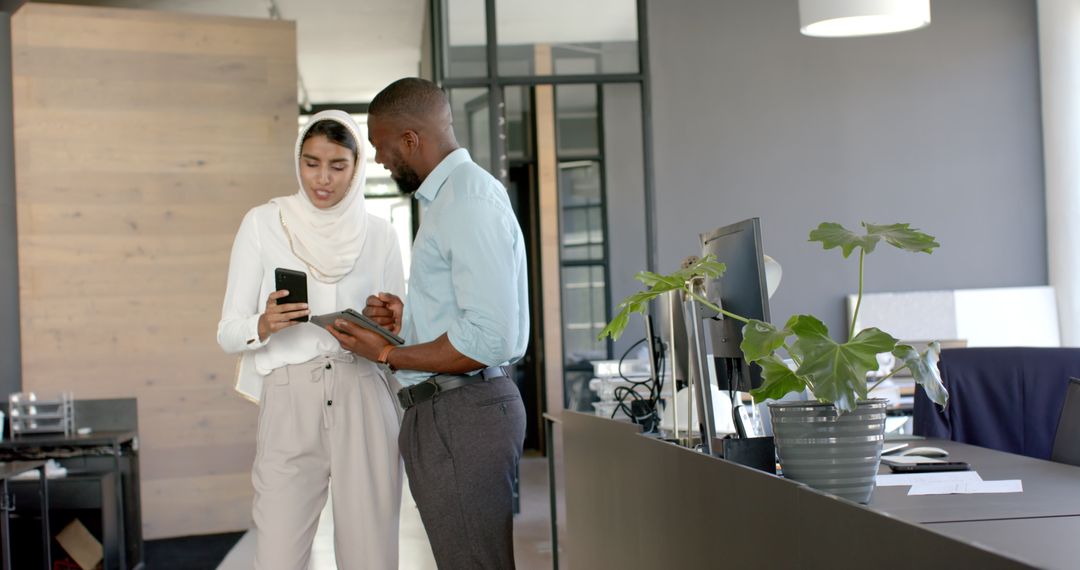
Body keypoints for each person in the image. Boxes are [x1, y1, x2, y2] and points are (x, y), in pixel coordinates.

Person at [326, 78, 529, 569]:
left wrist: (385, 352)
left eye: (381, 146)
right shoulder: (451, 201)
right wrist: (407, 318)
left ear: (411, 140)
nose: (379, 159)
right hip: (451, 412)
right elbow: (469, 313)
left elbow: (488, 337)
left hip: (462, 413)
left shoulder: (466, 201)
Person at [216, 110, 404, 570]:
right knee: (278, 552)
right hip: (289, 396)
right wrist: (263, 324)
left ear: (357, 167)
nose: (323, 179)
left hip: (363, 391)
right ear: (297, 160)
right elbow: (228, 331)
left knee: (371, 554)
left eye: (338, 166)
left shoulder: (380, 233)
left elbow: (400, 334)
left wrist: (394, 318)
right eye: (311, 162)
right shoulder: (264, 222)